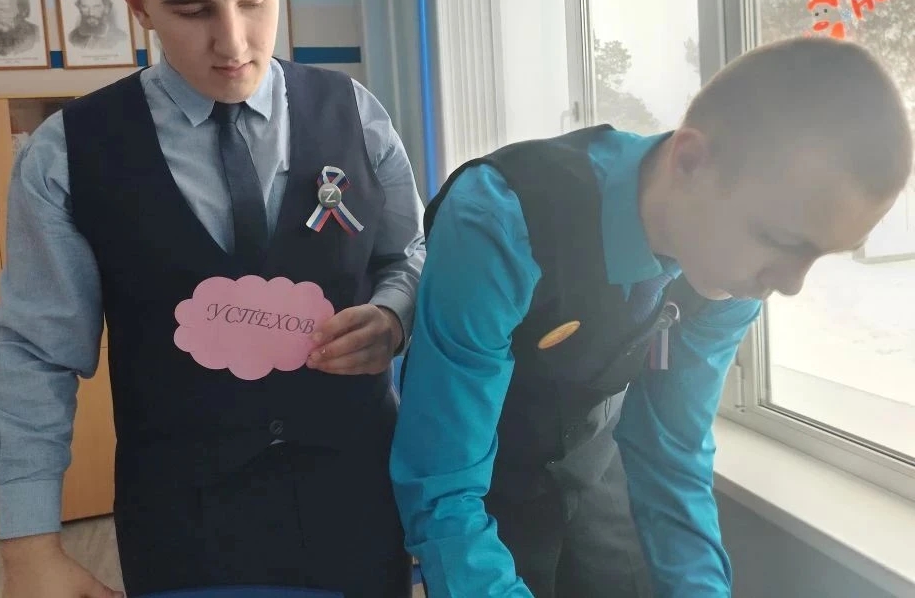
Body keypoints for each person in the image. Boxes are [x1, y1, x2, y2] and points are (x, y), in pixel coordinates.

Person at [0, 0, 425, 598]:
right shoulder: (67, 155)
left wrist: (394, 315)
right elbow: (33, 353)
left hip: (359, 496)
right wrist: (28, 549)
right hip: (185, 522)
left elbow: (405, 254)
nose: (233, 41)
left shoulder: (358, 115)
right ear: (137, 5)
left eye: (255, 0)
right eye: (191, 10)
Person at [390, 36, 913, 597]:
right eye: (784, 241)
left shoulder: (737, 272)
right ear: (690, 162)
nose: (789, 284)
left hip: (593, 462)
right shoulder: (501, 219)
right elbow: (444, 489)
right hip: (484, 474)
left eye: (820, 254)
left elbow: (671, 449)